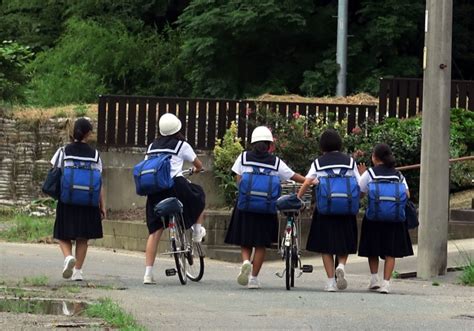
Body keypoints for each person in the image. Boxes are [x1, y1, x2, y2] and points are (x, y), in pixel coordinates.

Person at [225, 126, 305, 289]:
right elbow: (293, 176)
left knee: (245, 239)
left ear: (253, 143)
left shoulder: (243, 158)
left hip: (245, 205)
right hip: (266, 208)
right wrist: (309, 180)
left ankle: (246, 261)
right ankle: (254, 278)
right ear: (270, 145)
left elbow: (238, 180)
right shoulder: (275, 162)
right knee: (261, 244)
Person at [143, 113, 206, 284]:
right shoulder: (181, 145)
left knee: (155, 231)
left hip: (155, 190)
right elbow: (198, 165)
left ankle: (148, 274)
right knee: (199, 195)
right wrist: (195, 171)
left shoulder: (152, 146)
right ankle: (197, 231)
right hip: (176, 186)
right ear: (178, 128)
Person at [297, 129, 361, 292]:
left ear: (322, 145)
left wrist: (298, 198)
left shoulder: (318, 163)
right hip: (346, 210)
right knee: (344, 243)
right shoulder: (350, 162)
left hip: (325, 210)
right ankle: (341, 265)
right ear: (339, 144)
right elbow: (360, 185)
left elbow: (308, 181)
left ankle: (330, 282)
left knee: (326, 247)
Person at [51, 118, 106, 281]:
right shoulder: (95, 155)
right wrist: (102, 205)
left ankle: (68, 257)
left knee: (62, 234)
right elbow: (99, 182)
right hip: (88, 201)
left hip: (67, 200)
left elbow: (54, 171)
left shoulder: (63, 151)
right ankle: (78, 272)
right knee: (83, 237)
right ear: (88, 134)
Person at [357, 143, 414, 294]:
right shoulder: (398, 175)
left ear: (375, 157)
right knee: (391, 251)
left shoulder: (370, 173)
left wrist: (361, 174)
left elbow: (360, 192)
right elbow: (407, 195)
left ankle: (374, 279)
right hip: (394, 218)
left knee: (372, 249)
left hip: (374, 218)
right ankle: (386, 283)